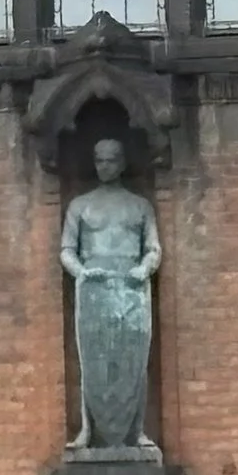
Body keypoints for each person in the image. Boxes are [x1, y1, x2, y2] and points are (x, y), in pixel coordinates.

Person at [59, 134, 161, 454]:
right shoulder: (80, 205)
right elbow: (66, 250)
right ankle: (88, 431)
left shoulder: (140, 205)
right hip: (93, 286)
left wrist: (143, 270)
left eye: (111, 160)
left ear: (122, 163)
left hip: (132, 286)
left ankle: (137, 431)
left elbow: (153, 249)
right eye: (99, 160)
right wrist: (82, 272)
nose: (105, 166)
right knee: (93, 362)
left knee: (134, 360)